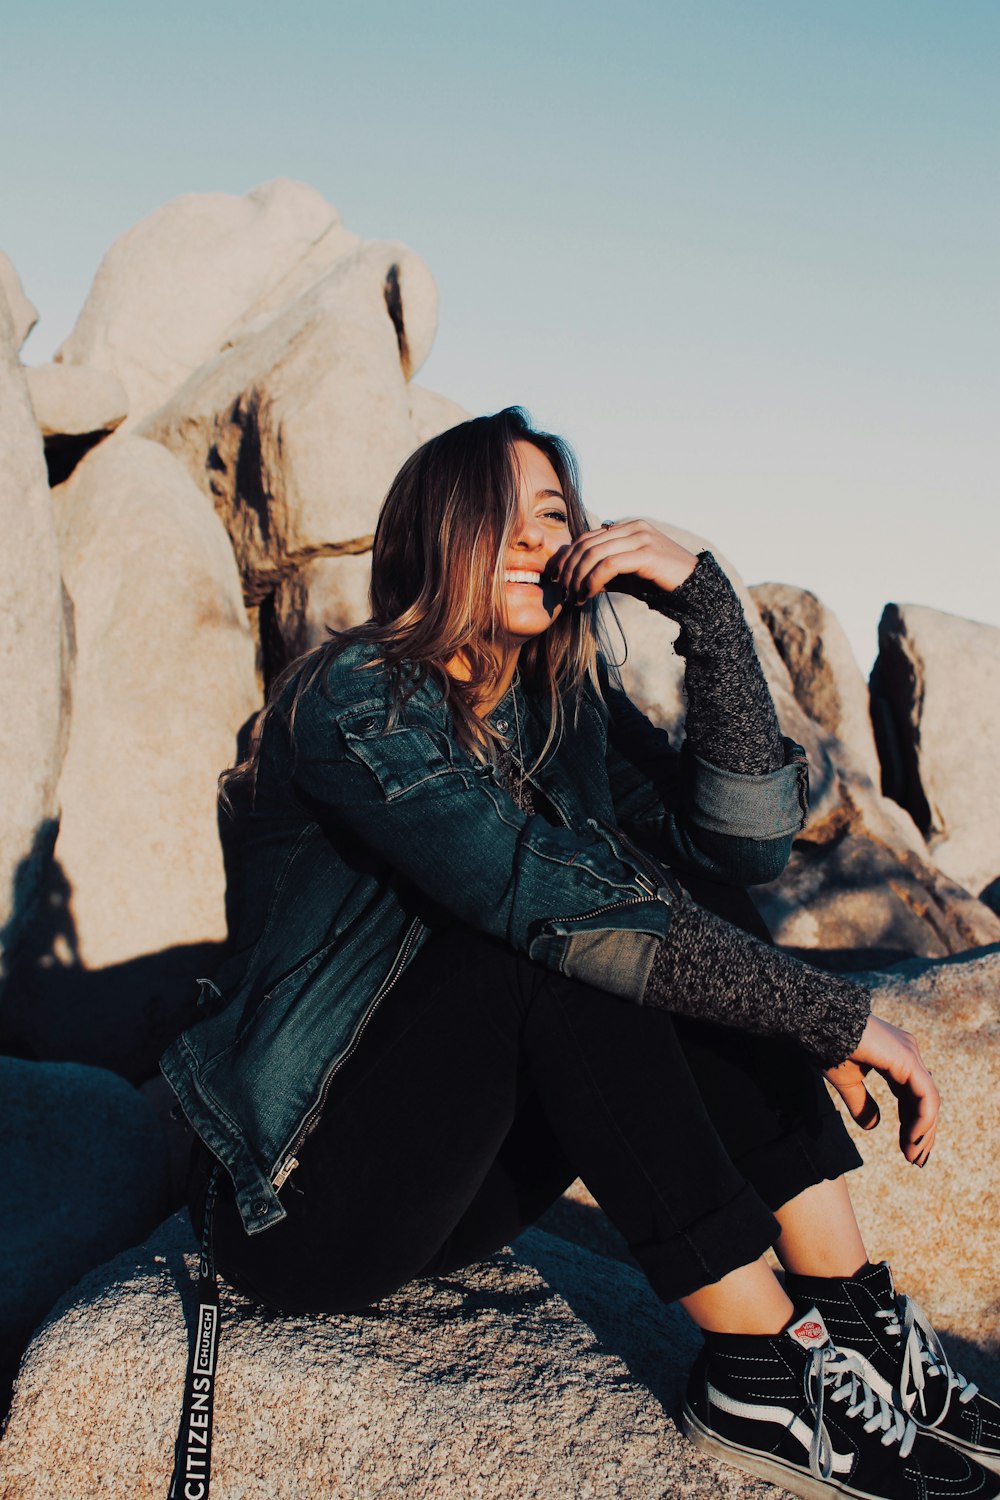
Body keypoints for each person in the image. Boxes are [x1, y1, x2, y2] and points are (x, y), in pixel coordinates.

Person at [162, 407, 1000, 1500]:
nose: (528, 541)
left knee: (671, 897)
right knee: (559, 939)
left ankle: (854, 1318)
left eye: (550, 516)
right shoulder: (355, 699)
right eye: (493, 518)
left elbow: (742, 848)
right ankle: (760, 1364)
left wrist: (705, 605)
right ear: (433, 538)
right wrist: (828, 1017)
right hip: (301, 1195)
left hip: (453, 1181)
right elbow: (546, 902)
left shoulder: (567, 715)